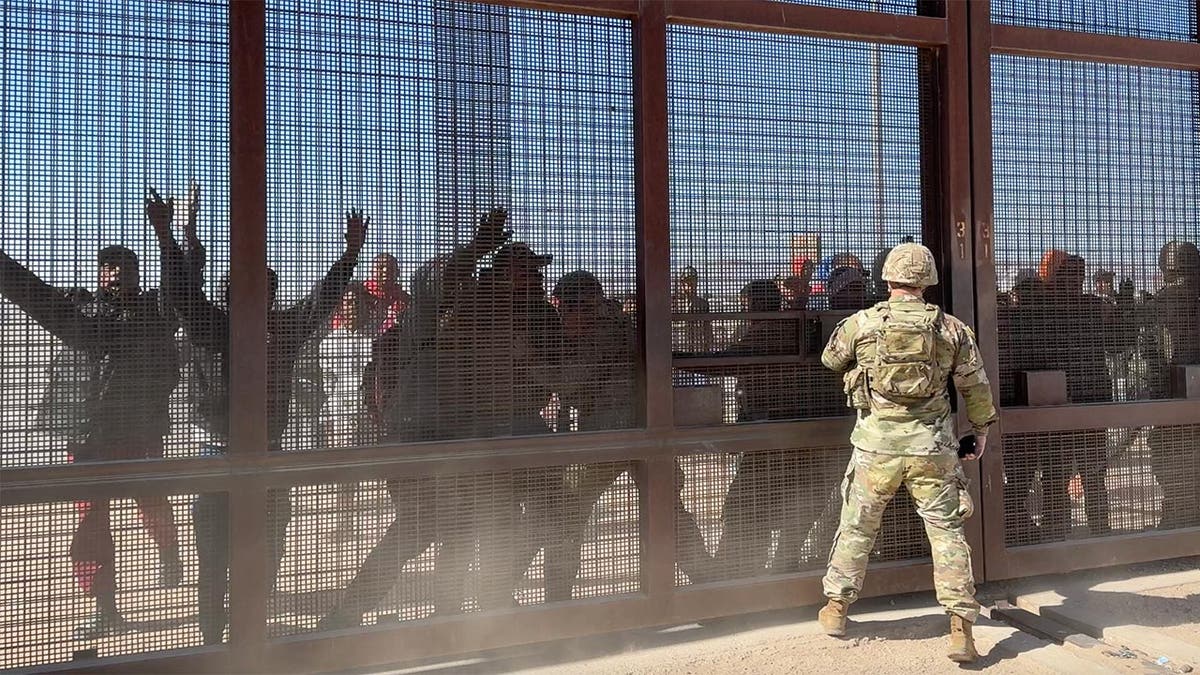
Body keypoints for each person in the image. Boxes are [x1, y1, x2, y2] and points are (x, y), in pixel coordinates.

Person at [146, 189, 366, 645]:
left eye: (265, 289)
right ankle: (212, 638)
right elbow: (184, 298)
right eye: (245, 289)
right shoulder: (214, 328)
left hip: (268, 458)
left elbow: (320, 301)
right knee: (214, 553)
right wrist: (168, 235)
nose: (256, 297)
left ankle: (251, 629)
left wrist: (349, 255)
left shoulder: (282, 330)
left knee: (268, 547)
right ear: (228, 296)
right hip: (217, 458)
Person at [318, 208, 516, 629]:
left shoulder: (469, 335)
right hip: (414, 442)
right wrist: (480, 246)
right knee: (419, 529)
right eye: (458, 286)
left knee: (457, 528)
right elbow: (440, 278)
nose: (465, 294)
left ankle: (442, 617)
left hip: (448, 444)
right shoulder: (420, 317)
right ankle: (346, 617)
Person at [817, 242, 996, 663]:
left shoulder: (860, 324)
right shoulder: (951, 329)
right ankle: (961, 629)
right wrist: (981, 430)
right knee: (947, 534)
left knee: (858, 525)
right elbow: (975, 386)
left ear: (889, 277)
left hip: (876, 447)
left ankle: (836, 609)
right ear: (927, 280)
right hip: (932, 448)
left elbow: (830, 360)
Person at [0, 234, 182, 640]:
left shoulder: (156, 310)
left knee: (152, 502)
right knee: (90, 522)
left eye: (127, 266)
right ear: (99, 274)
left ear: (139, 275)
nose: (118, 273)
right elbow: (35, 293)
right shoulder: (81, 310)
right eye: (109, 266)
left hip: (140, 431)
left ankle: (169, 552)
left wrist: (177, 234)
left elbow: (184, 284)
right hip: (88, 439)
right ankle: (106, 607)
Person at [1145, 241, 1200, 529]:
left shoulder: (1159, 303)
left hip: (1171, 405)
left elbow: (1148, 355)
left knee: (1171, 461)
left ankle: (1177, 522)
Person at [320, 283, 376, 538]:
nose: (353, 308)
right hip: (343, 413)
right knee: (345, 471)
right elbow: (327, 384)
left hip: (373, 415)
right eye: (349, 303)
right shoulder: (331, 342)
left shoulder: (378, 339)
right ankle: (346, 520)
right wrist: (330, 415)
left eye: (359, 303)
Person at [364, 253, 410, 334]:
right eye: (380, 267)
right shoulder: (359, 294)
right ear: (371, 271)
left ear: (398, 273)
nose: (385, 271)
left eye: (391, 268)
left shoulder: (406, 299)